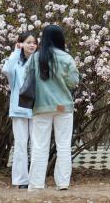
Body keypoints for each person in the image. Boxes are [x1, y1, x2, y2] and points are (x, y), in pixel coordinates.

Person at [26, 25, 79, 191]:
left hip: (41, 106)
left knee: (39, 146)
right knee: (63, 146)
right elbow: (73, 82)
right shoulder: (67, 58)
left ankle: (36, 184)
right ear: (60, 38)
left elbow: (26, 78)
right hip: (63, 107)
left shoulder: (35, 58)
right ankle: (63, 183)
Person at [1, 32, 37, 189]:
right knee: (21, 145)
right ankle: (21, 180)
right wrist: (16, 51)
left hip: (37, 108)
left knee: (37, 145)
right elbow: (7, 70)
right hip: (19, 109)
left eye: (34, 42)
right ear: (21, 44)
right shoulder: (15, 62)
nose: (32, 45)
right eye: (28, 42)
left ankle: (35, 179)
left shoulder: (38, 61)